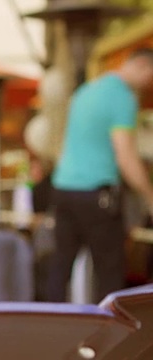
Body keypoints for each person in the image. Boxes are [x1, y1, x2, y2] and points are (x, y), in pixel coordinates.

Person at [47, 48, 153, 303]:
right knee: (109, 273)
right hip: (97, 193)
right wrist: (149, 195)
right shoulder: (122, 98)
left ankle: (47, 331)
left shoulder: (86, 91)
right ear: (142, 66)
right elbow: (125, 156)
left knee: (60, 266)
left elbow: (64, 144)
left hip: (64, 188)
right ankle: (109, 340)